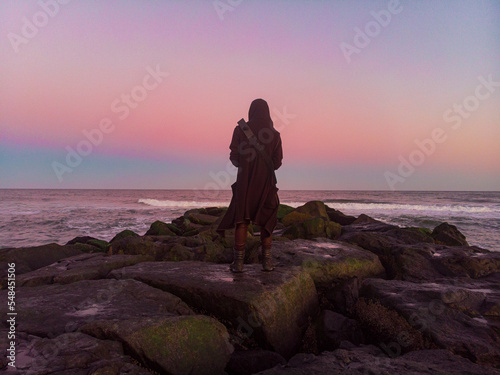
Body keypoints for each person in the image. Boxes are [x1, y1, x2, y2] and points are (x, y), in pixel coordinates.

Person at [217, 98, 283, 272]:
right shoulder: (275, 135)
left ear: (251, 111)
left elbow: (234, 157)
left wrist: (247, 166)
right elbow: (277, 163)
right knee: (267, 220)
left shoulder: (240, 130)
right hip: (266, 185)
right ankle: (267, 263)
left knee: (242, 220)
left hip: (245, 183)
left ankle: (238, 264)